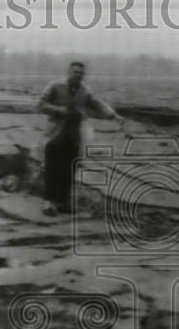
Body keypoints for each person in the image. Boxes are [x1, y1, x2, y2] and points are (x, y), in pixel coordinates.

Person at [38, 61, 123, 214]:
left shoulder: (85, 91)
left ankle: (63, 202)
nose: (78, 75)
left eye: (81, 73)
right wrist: (60, 110)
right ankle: (48, 203)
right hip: (55, 134)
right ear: (69, 72)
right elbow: (41, 104)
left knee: (69, 170)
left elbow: (97, 104)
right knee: (52, 170)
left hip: (74, 136)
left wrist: (113, 115)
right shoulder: (55, 86)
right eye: (75, 72)